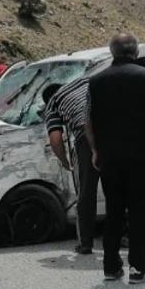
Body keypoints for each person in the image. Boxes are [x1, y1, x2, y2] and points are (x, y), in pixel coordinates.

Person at [86, 33, 145, 284]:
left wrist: (94, 150)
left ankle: (111, 268)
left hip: (109, 158)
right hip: (140, 155)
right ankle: (138, 268)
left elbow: (87, 121)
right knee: (139, 211)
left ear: (112, 53)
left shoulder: (96, 81)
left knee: (113, 211)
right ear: (136, 52)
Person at [43, 77, 99, 255]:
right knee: (119, 186)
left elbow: (56, 139)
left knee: (86, 192)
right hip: (112, 129)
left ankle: (86, 243)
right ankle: (130, 234)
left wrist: (65, 161)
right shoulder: (85, 82)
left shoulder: (53, 102)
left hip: (85, 136)